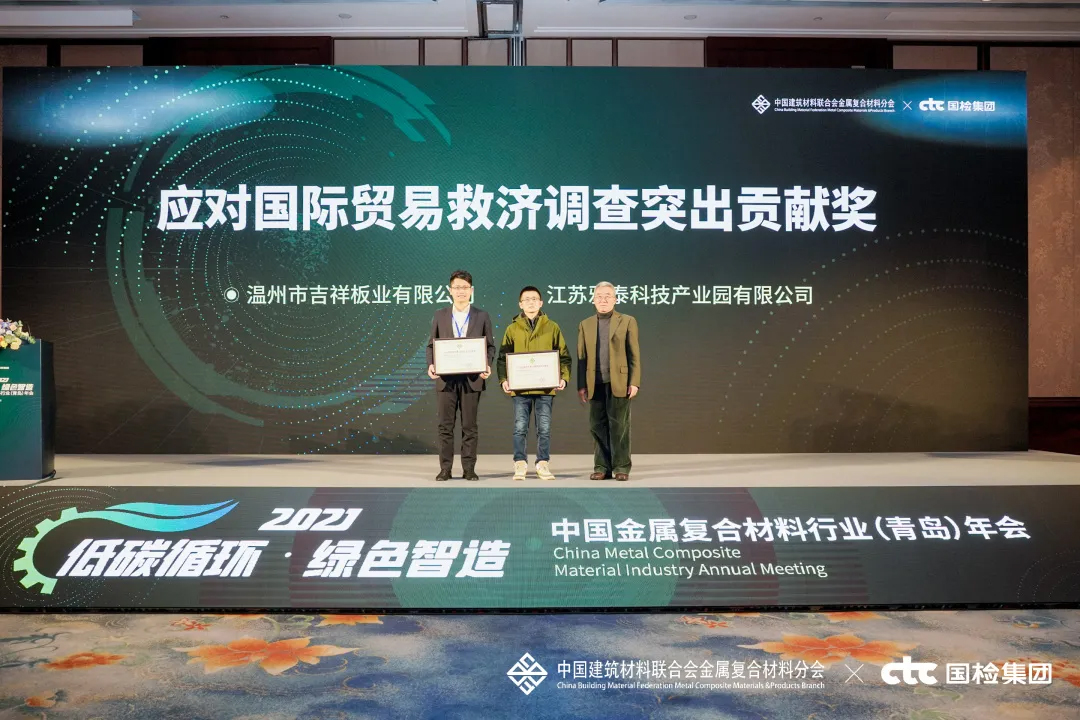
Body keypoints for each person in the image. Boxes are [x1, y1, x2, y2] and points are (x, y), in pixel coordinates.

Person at [496, 286, 572, 481]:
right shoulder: (512, 328)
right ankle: (520, 463)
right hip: (520, 389)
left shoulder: (552, 327)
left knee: (544, 428)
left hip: (545, 388)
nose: (531, 302)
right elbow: (503, 358)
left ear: (541, 303)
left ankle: (542, 463)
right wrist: (504, 379)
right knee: (520, 427)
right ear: (520, 304)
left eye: (534, 299)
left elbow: (564, 356)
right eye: (526, 299)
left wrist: (563, 377)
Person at [426, 270, 494, 482]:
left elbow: (490, 346)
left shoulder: (482, 316)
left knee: (469, 427)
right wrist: (431, 365)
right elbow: (431, 345)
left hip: (472, 378)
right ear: (450, 290)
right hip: (446, 379)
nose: (461, 291)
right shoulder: (440, 315)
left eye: (465, 287)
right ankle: (445, 469)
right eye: (457, 287)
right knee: (445, 426)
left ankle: (469, 469)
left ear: (471, 290)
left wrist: (487, 365)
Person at [577, 282, 640, 481]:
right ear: (593, 300)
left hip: (619, 381)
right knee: (597, 426)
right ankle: (601, 467)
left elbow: (634, 355)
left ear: (615, 299)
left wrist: (634, 381)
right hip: (594, 382)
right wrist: (581, 385)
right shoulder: (585, 324)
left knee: (620, 426)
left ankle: (621, 467)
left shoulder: (627, 321)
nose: (603, 300)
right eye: (599, 296)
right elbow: (581, 357)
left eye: (607, 296)